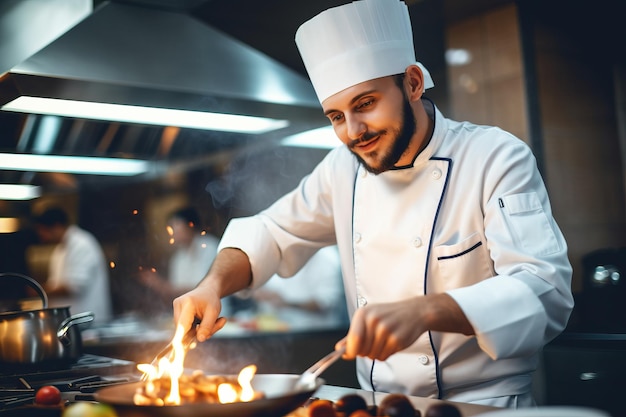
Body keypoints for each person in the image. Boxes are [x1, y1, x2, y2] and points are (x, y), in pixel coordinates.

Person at [173, 0, 573, 408]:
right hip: (381, 406)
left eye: (365, 104)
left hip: (483, 406)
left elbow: (547, 292)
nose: (353, 132)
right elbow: (270, 232)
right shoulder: (341, 171)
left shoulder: (494, 156)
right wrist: (212, 285)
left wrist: (426, 311)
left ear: (413, 83)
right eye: (336, 117)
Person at [34, 207, 112, 323]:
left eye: (42, 230)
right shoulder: (60, 249)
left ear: (56, 226)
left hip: (87, 322)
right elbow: (55, 283)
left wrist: (39, 290)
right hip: (71, 323)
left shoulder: (82, 244)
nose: (41, 235)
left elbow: (75, 286)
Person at [139, 207, 223, 309]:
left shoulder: (210, 247)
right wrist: (158, 288)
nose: (173, 231)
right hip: (190, 312)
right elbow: (176, 294)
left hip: (216, 311)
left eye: (176, 225)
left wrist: (161, 285)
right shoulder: (178, 258)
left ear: (190, 225)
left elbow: (204, 288)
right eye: (170, 227)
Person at [250, 245, 348, 329]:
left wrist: (287, 303)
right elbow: (271, 287)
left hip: (315, 334)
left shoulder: (328, 258)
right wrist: (260, 292)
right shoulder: (280, 255)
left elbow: (324, 303)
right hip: (282, 330)